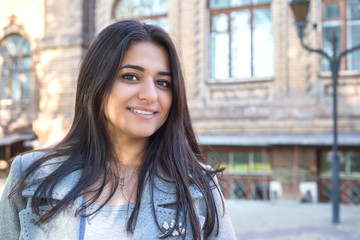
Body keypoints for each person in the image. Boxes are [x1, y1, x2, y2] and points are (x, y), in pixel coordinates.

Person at [0, 20, 236, 240]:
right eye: (131, 77)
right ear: (96, 83)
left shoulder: (198, 185)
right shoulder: (30, 177)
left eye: (163, 82)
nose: (151, 95)